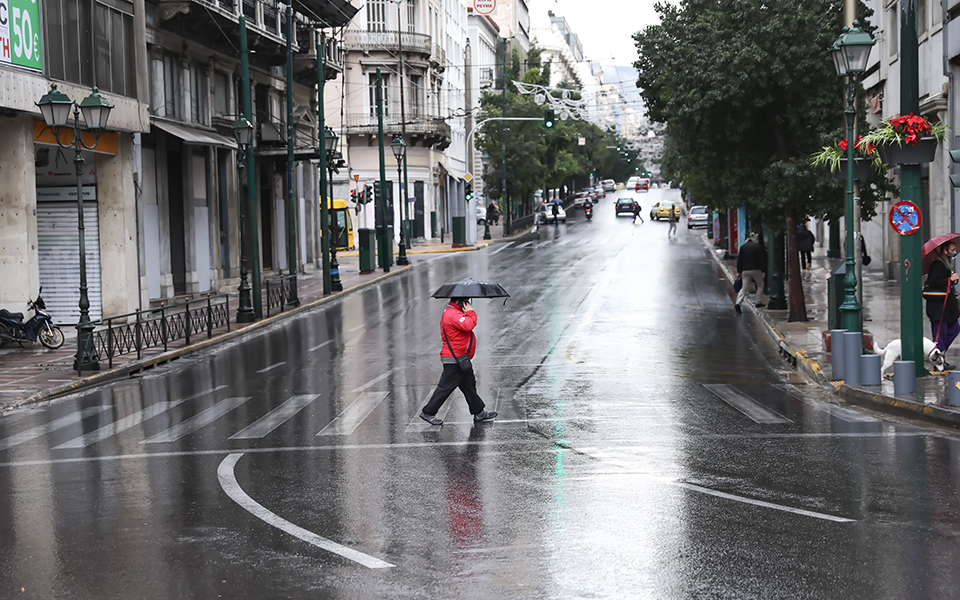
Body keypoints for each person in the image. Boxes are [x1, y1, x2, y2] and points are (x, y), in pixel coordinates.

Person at [420, 297, 498, 425]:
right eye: (466, 301)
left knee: (469, 386)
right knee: (445, 387)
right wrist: (471, 312)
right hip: (454, 358)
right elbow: (468, 325)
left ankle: (479, 412)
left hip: (460, 357)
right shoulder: (453, 314)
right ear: (459, 301)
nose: (468, 303)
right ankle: (428, 412)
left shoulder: (454, 312)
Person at [925, 241, 960, 367]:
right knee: (940, 335)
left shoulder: (946, 264)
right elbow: (933, 282)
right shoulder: (938, 265)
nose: (955, 252)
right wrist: (950, 279)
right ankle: (938, 361)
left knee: (954, 328)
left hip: (947, 308)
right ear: (945, 251)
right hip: (939, 308)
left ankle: (939, 354)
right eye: (952, 250)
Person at [735, 233, 766, 313]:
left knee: (744, 287)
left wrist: (739, 271)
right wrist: (763, 270)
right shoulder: (757, 247)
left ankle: (738, 302)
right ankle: (758, 301)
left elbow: (740, 260)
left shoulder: (743, 247)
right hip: (756, 269)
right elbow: (761, 259)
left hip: (745, 270)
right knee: (760, 284)